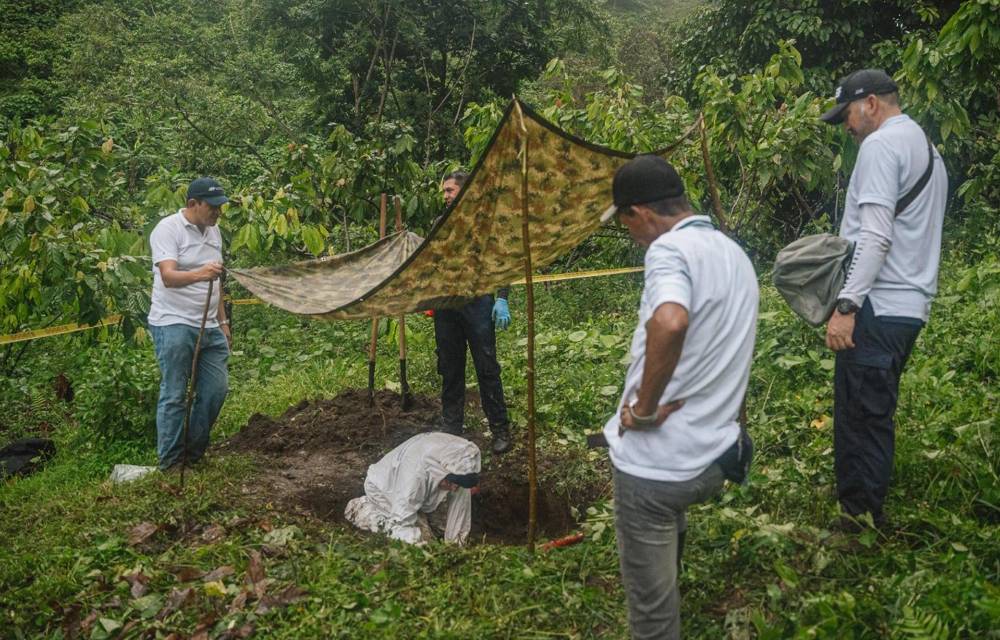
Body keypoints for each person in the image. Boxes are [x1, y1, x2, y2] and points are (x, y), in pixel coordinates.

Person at [600, 155, 758, 639]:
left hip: (656, 469)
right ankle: (667, 571)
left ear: (641, 212)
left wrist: (644, 412)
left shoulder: (668, 252)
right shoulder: (732, 253)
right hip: (713, 455)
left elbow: (670, 321)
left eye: (626, 222)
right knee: (666, 544)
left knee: (651, 620)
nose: (630, 234)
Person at [820, 69, 947, 530]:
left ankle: (860, 521)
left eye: (848, 116)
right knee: (874, 410)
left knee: (861, 416)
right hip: (909, 307)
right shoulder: (926, 149)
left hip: (878, 304)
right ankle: (866, 509)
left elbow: (875, 237)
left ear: (870, 103)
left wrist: (847, 306)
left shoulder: (880, 146)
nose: (847, 128)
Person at [148, 177, 231, 471]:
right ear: (192, 204)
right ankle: (170, 464)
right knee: (174, 393)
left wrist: (222, 320)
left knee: (215, 390)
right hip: (173, 323)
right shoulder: (167, 230)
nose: (217, 212)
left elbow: (216, 279)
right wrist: (200, 273)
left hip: (209, 325)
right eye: (212, 206)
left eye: (220, 207)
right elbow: (169, 277)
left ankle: (191, 455)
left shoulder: (214, 231)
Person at [433, 170, 513, 454]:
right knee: (450, 368)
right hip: (446, 306)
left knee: (487, 367)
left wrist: (501, 297)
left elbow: (502, 262)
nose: (445, 196)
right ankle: (451, 429)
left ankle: (500, 430)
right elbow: (432, 264)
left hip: (478, 303)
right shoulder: (440, 224)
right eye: (444, 191)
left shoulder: (485, 223)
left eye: (450, 190)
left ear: (465, 192)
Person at [344, 432, 481, 545]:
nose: (454, 488)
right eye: (451, 484)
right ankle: (360, 508)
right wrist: (422, 548)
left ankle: (422, 515)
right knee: (422, 538)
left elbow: (458, 519)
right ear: (442, 471)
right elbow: (401, 523)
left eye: (458, 484)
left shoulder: (461, 463)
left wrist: (456, 547)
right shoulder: (414, 477)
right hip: (384, 488)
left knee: (441, 528)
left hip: (425, 488)